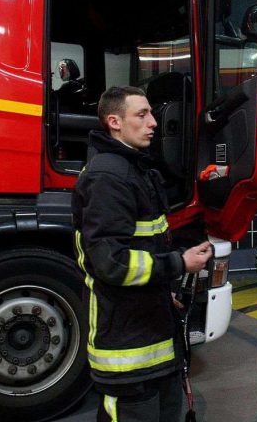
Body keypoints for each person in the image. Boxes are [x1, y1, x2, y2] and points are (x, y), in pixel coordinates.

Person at [72, 86, 213, 422]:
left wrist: (166, 289)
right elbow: (113, 262)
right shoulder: (108, 177)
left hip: (149, 332)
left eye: (152, 113)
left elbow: (148, 245)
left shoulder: (136, 170)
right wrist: (180, 263)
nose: (153, 122)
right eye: (142, 114)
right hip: (126, 343)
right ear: (114, 122)